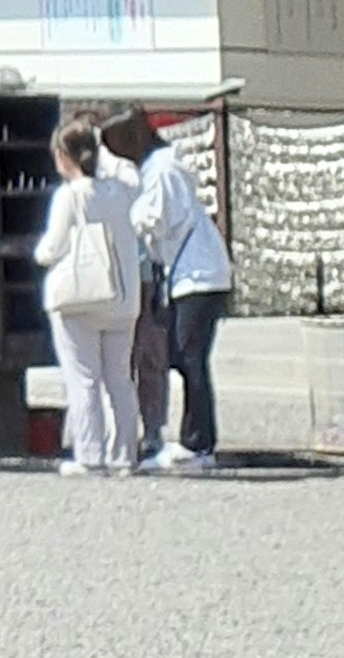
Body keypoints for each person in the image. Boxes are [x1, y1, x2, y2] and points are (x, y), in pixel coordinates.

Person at [110, 111, 232, 471]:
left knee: (190, 358)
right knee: (183, 355)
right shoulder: (162, 167)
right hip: (191, 273)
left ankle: (200, 444)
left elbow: (155, 218)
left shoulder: (164, 169)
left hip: (199, 275)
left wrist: (123, 217)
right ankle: (195, 438)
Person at [37, 110, 146, 474]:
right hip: (122, 296)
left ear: (63, 157)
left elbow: (51, 247)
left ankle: (90, 454)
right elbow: (131, 174)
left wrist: (39, 255)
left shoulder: (69, 197)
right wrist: (103, 151)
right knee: (119, 379)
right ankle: (125, 455)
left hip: (79, 299)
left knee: (83, 378)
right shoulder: (122, 190)